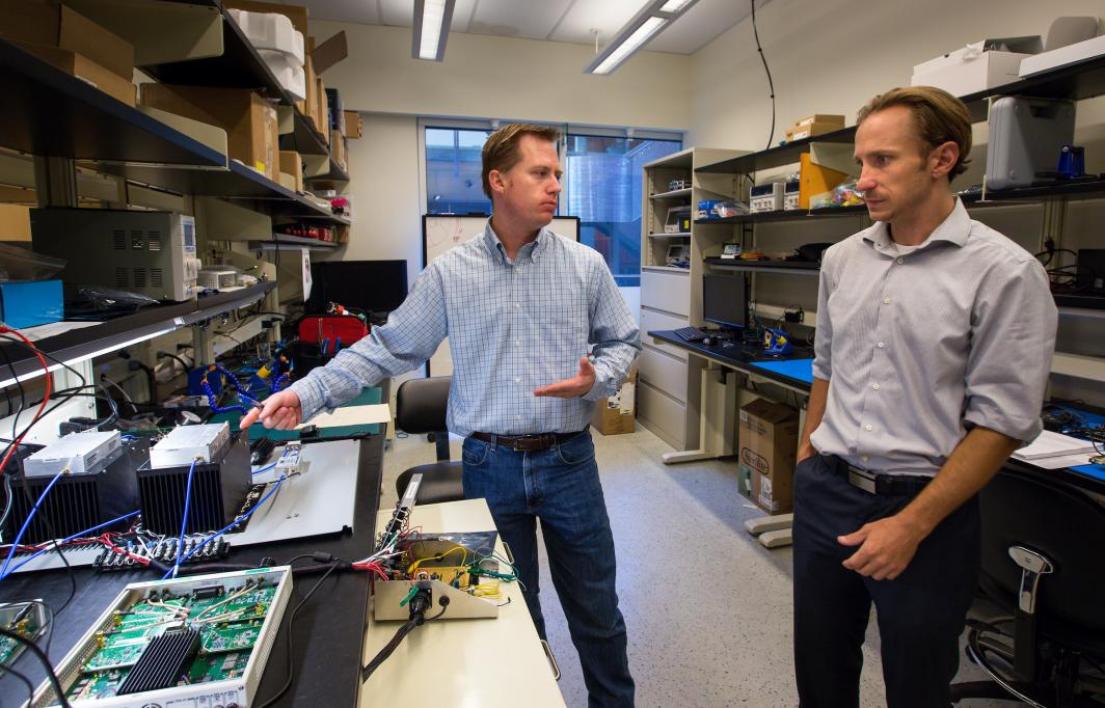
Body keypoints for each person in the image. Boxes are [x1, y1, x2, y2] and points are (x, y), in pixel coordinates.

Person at [242, 124, 639, 707]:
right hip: (490, 462)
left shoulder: (585, 266)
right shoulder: (452, 275)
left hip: (569, 462)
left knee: (598, 614)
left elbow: (623, 341)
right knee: (510, 615)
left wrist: (598, 377)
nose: (556, 185)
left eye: (558, 174)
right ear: (498, 181)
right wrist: (306, 394)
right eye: (541, 173)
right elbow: (386, 346)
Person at [792, 86, 1057, 708]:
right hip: (828, 490)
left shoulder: (1005, 272)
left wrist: (910, 525)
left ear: (941, 159)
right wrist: (807, 458)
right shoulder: (840, 261)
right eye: (860, 163)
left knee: (916, 683)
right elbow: (826, 368)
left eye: (882, 161)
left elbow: (1003, 422)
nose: (862, 180)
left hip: (925, 509)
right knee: (821, 671)